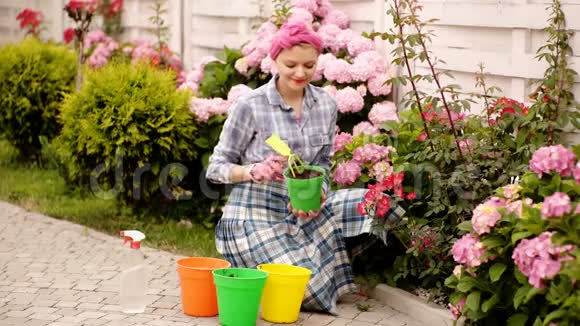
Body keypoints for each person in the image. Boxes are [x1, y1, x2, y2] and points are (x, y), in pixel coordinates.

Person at [206, 21, 404, 314]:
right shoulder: (251, 105)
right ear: (274, 60)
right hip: (255, 211)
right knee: (305, 289)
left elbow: (322, 164)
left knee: (380, 206)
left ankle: (313, 260)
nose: (300, 73)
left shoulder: (325, 104)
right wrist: (252, 171)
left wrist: (319, 194)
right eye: (291, 65)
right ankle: (300, 265)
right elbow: (216, 167)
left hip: (306, 206)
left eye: (309, 65)